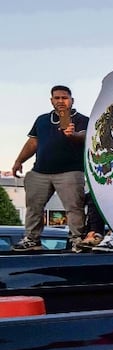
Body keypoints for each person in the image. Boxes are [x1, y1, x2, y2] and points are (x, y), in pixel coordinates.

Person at [11, 85, 89, 251]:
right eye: (57, 98)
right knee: (34, 207)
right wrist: (19, 161)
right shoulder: (42, 120)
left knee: (74, 208)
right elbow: (33, 142)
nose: (61, 101)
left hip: (70, 171)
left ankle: (77, 239)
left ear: (72, 100)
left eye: (64, 98)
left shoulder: (82, 119)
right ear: (51, 100)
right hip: (40, 171)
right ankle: (32, 240)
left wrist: (73, 135)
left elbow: (86, 137)